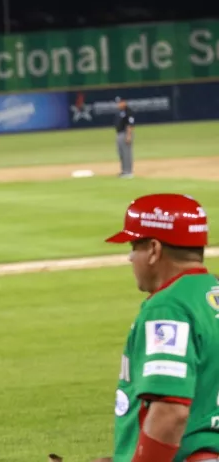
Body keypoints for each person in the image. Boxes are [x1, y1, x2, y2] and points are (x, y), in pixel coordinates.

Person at [90, 193, 219, 462]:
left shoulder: (169, 307)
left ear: (154, 250)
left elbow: (171, 411)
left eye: (134, 247)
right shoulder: (211, 294)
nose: (129, 258)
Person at [115, 96, 135, 178]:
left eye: (119, 102)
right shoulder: (120, 111)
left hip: (125, 133)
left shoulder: (128, 111)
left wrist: (129, 136)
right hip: (119, 134)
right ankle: (124, 171)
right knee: (121, 153)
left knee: (127, 153)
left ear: (124, 102)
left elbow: (130, 125)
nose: (118, 104)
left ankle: (128, 172)